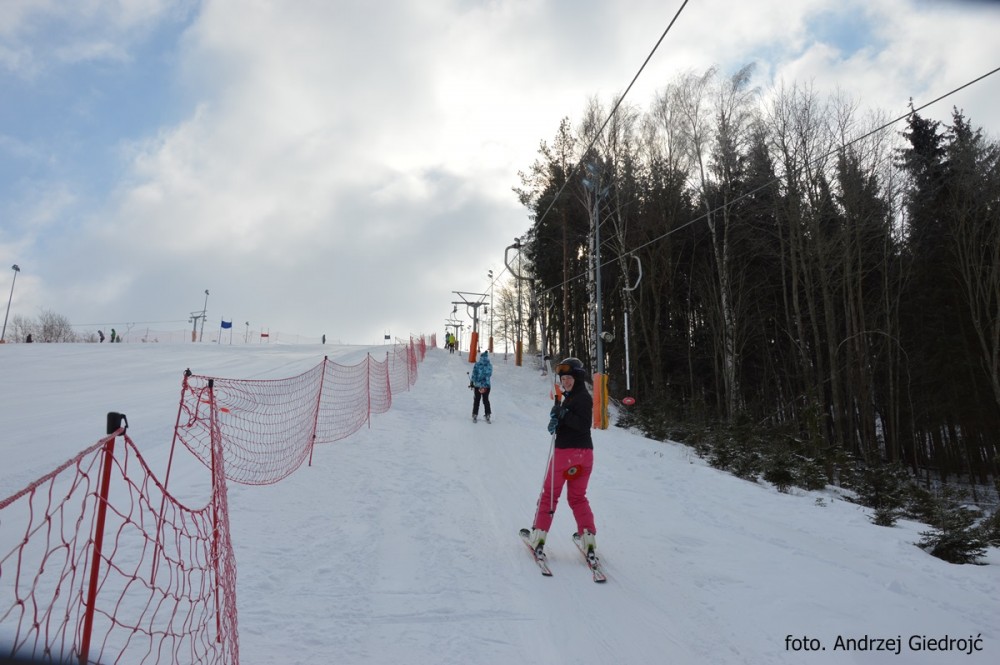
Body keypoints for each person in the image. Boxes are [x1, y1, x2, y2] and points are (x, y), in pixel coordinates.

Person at [525, 357, 597, 558]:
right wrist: (557, 422)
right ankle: (588, 538)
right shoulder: (573, 397)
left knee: (550, 494)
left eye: (569, 378)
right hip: (584, 456)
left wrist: (563, 414)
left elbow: (583, 424)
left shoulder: (582, 397)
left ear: (578, 378)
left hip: (566, 454)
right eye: (563, 379)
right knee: (577, 497)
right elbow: (571, 421)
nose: (565, 382)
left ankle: (538, 535)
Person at [469, 350, 492, 423]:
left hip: (478, 385)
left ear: (481, 357)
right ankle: (487, 414)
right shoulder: (489, 365)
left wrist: (472, 382)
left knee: (477, 400)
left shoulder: (477, 364)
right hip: (486, 386)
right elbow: (489, 375)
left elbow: (474, 374)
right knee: (486, 400)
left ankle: (475, 414)